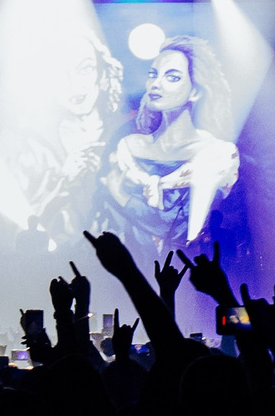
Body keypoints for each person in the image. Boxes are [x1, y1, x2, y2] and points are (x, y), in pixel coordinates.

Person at [95, 35, 238, 257]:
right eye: (153, 74)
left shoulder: (217, 154)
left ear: (195, 91)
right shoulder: (127, 148)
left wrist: (122, 197)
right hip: (128, 270)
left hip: (187, 273)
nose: (156, 83)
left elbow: (184, 230)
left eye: (172, 77)